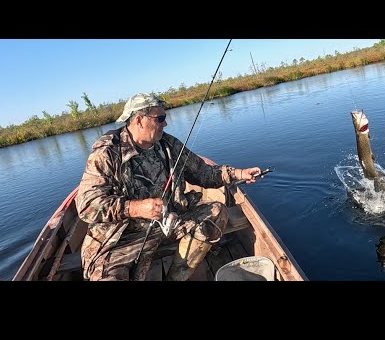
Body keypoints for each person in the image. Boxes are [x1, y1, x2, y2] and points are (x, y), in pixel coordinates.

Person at [75, 92, 261, 281]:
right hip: (122, 240)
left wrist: (239, 173)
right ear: (139, 120)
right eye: (160, 118)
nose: (165, 124)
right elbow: (86, 206)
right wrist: (135, 208)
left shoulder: (168, 144)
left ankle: (175, 278)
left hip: (169, 223)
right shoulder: (106, 155)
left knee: (216, 212)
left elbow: (204, 173)